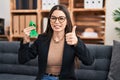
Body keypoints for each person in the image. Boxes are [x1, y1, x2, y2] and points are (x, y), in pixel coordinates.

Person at [18, 5, 94, 80]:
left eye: (61, 18)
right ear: (49, 20)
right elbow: (22, 59)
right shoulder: (42, 39)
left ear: (67, 21)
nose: (56, 22)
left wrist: (77, 43)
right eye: (53, 18)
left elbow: (89, 61)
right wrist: (25, 40)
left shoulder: (72, 39)